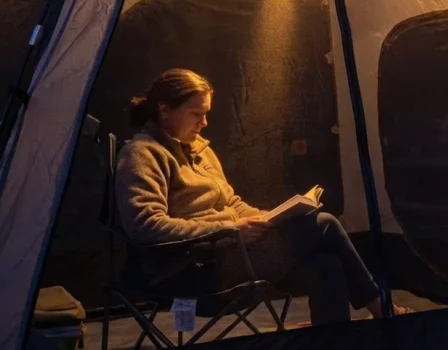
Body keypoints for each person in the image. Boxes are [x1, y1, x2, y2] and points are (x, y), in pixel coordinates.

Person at [115, 68, 409, 324]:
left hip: (226, 255)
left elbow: (230, 202)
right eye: (196, 114)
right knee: (324, 223)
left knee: (326, 266)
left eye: (206, 113)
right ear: (164, 109)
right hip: (189, 272)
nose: (204, 122)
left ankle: (333, 341)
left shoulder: (198, 149)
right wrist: (229, 230)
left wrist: (265, 218)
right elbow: (145, 226)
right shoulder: (143, 154)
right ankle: (380, 307)